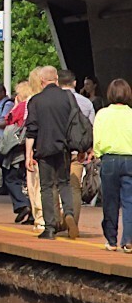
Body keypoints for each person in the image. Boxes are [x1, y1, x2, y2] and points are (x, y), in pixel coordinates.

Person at [25, 66, 79, 240]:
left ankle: (49, 228)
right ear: (56, 79)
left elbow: (31, 130)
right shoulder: (68, 97)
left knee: (47, 187)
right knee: (64, 183)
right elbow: (75, 122)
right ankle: (69, 213)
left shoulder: (36, 101)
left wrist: (28, 154)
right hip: (64, 148)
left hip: (44, 149)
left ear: (41, 81)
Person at [93, 79, 132, 252]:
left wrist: (98, 154)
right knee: (129, 201)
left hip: (109, 159)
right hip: (130, 160)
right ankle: (128, 239)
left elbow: (97, 140)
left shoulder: (102, 114)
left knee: (110, 201)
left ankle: (111, 240)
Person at [58, 69, 95, 230]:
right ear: (74, 83)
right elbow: (90, 127)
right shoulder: (86, 103)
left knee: (55, 185)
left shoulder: (55, 101)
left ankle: (58, 219)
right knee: (74, 186)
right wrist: (89, 149)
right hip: (78, 151)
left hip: (58, 149)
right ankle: (73, 219)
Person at [2, 81, 33, 224]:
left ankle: (22, 204)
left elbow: (8, 120)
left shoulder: (21, 106)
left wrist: (15, 106)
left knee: (11, 178)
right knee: (30, 182)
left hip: (18, 147)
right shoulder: (33, 104)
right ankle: (33, 213)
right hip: (31, 146)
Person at [26, 67, 46, 231]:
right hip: (54, 145)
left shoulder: (31, 100)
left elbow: (30, 127)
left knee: (35, 184)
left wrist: (28, 152)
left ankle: (39, 217)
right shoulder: (55, 98)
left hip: (36, 146)